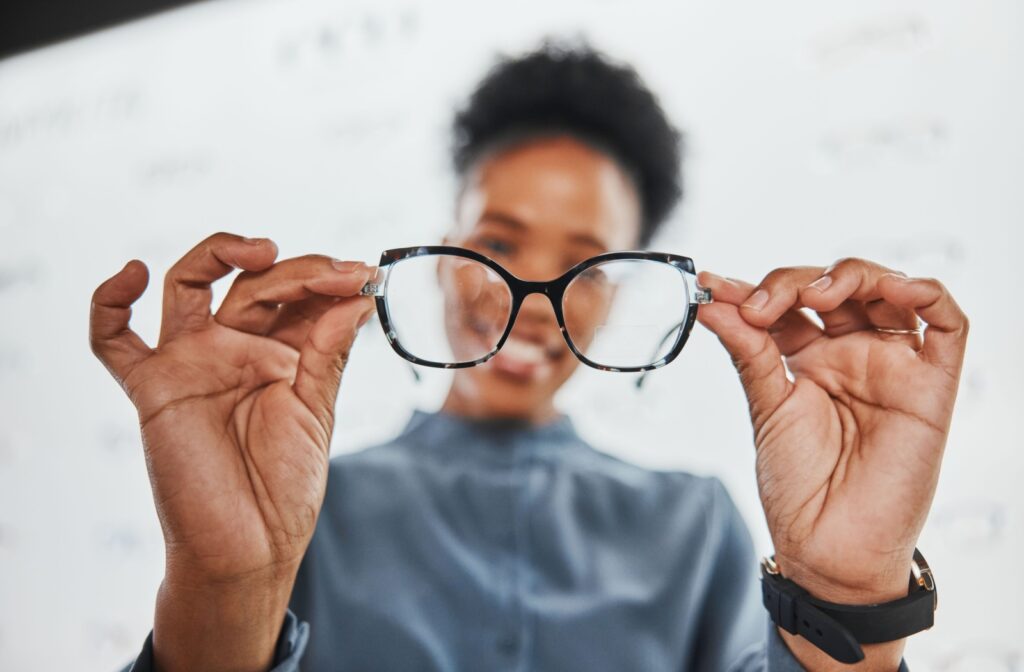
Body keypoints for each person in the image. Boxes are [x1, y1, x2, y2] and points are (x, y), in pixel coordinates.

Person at [90, 42, 969, 672]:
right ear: (439, 254)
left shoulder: (692, 526)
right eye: (497, 242)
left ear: (621, 292)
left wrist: (851, 598)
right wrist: (222, 588)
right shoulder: (305, 505)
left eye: (583, 264)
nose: (526, 301)